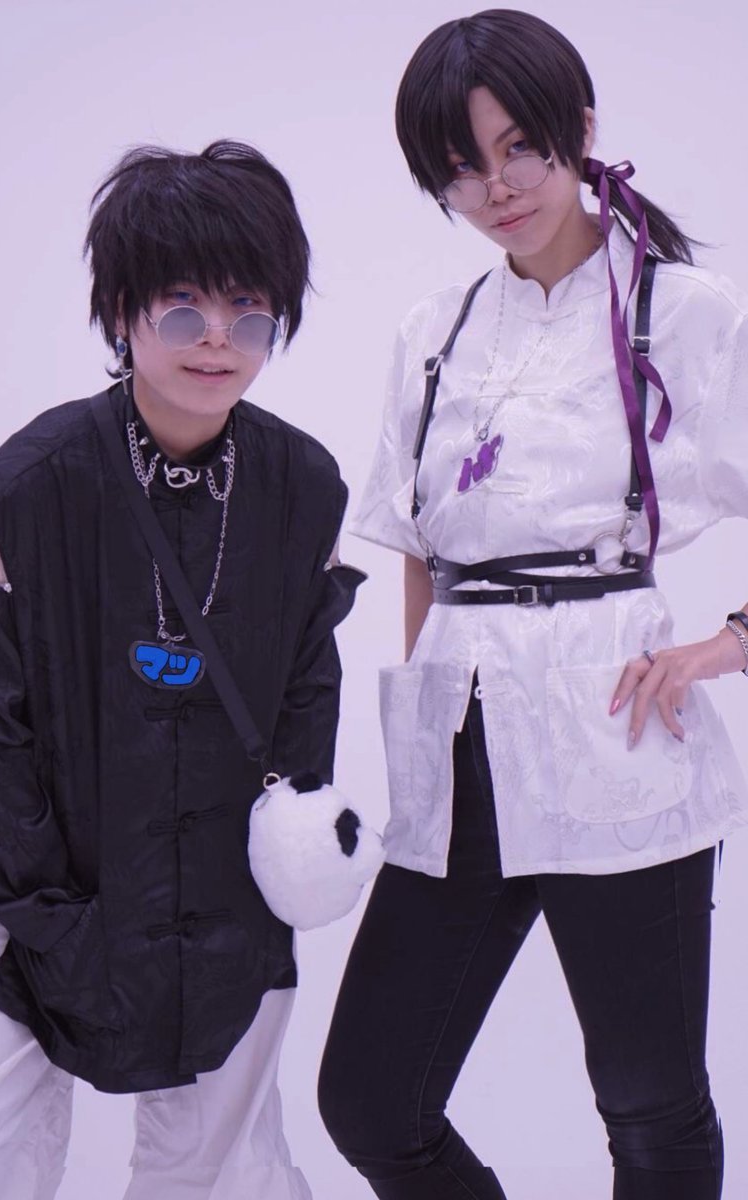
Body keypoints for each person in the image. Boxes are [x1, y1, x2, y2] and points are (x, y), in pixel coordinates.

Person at [318, 10, 748, 1199]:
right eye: (460, 165)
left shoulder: (686, 314)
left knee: (648, 1108)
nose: (494, 186)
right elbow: (418, 544)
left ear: (580, 130)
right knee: (370, 1101)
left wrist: (723, 646)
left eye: (518, 147)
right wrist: (420, 734)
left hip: (614, 738)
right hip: (459, 752)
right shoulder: (434, 332)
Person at [0, 139, 362, 1200]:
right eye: (182, 309)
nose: (216, 339)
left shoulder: (303, 486)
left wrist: (289, 858)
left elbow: (304, 702)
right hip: (20, 905)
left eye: (248, 311)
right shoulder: (24, 489)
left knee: (217, 1175)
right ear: (123, 311)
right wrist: (58, 922)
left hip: (227, 910)